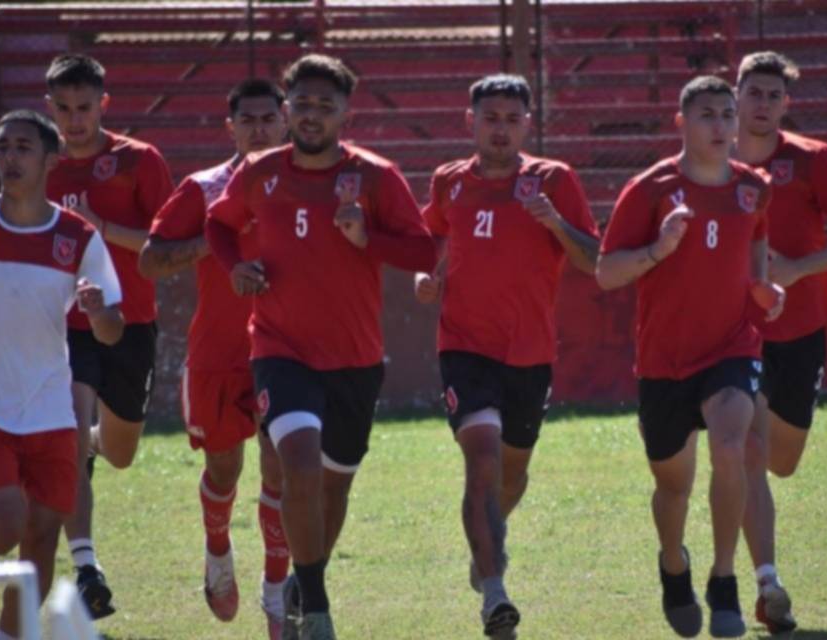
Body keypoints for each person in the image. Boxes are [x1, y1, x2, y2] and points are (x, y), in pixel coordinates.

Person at [205, 53, 437, 640]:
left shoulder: (376, 176)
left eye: (325, 106)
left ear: (345, 114)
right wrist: (235, 267)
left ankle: (303, 586)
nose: (312, 114)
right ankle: (316, 607)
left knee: (334, 485)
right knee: (299, 466)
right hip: (279, 350)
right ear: (287, 109)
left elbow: (424, 251)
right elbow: (219, 224)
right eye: (302, 103)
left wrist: (367, 237)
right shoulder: (260, 172)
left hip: (355, 359)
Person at [596, 76, 784, 639]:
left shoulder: (753, 187)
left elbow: (756, 241)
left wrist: (764, 287)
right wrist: (659, 249)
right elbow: (606, 273)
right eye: (707, 115)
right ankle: (673, 562)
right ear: (681, 122)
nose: (721, 125)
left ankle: (724, 580)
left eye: (728, 114)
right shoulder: (649, 189)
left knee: (731, 446)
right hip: (664, 362)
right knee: (673, 488)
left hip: (732, 347)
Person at [413, 73, 599, 639]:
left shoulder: (554, 180)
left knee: (511, 475)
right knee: (482, 460)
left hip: (530, 352)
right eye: (490, 118)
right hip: (465, 347)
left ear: (527, 124)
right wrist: (427, 275)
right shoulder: (449, 181)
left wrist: (555, 222)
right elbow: (432, 237)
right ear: (470, 121)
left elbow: (594, 258)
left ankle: (489, 541)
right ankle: (495, 595)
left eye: (512, 120)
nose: (500, 129)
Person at [137, 78, 290, 638]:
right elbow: (150, 260)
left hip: (287, 350)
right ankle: (218, 549)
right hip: (218, 354)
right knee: (225, 468)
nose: (259, 129)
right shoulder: (204, 188)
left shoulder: (307, 187)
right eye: (247, 119)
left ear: (286, 120)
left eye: (268, 118)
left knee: (281, 470)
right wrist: (214, 241)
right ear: (230, 127)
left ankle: (277, 593)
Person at [734, 50, 827, 634]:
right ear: (736, 95)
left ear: (786, 104)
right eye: (753, 92)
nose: (762, 104)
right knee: (748, 450)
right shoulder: (710, 161)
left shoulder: (817, 160)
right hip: (736, 333)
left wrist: (797, 270)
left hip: (801, 329)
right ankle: (768, 585)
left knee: (781, 461)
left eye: (774, 95)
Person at [0, 110, 123, 640]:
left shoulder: (77, 236)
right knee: (5, 526)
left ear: (50, 161)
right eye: (2, 146)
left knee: (40, 538)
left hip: (51, 413)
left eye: (22, 148)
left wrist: (99, 312)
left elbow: (112, 329)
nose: (9, 158)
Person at [44, 52, 174, 618]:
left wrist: (100, 230)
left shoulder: (139, 160)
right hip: (64, 325)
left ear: (104, 104)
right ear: (50, 108)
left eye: (84, 107)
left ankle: (93, 443)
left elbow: (164, 244)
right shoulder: (40, 163)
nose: (74, 120)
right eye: (64, 108)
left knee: (119, 453)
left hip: (130, 322)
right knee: (70, 430)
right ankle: (87, 567)